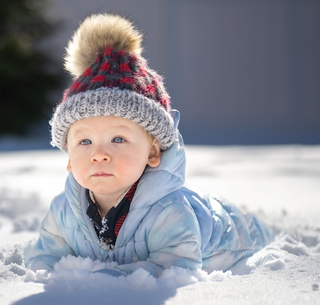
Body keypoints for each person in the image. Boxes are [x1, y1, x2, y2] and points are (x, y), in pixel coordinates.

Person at [24, 13, 273, 276]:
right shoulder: (63, 211)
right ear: (70, 159)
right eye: (84, 141)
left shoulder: (170, 211)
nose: (99, 154)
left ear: (152, 152)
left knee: (251, 227)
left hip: (238, 238)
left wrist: (105, 280)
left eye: (118, 139)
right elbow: (45, 258)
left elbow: (175, 267)